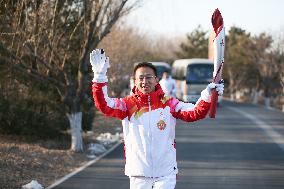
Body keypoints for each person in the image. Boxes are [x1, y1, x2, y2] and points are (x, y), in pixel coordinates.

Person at [90, 49, 224, 189]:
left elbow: (195, 112)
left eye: (149, 77)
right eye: (140, 78)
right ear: (134, 81)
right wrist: (99, 78)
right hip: (138, 172)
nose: (144, 81)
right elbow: (104, 105)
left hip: (165, 172)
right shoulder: (127, 105)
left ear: (156, 79)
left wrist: (207, 95)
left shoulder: (169, 103)